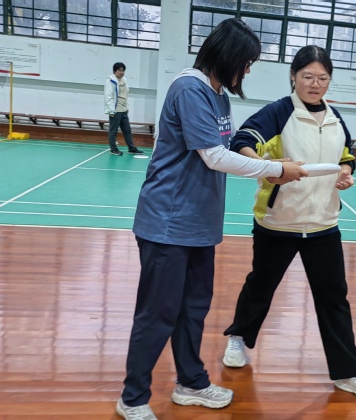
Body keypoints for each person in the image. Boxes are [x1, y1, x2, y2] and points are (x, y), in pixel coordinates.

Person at [115, 19, 307, 420]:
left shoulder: (219, 97)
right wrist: (275, 169)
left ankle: (191, 382)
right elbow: (214, 156)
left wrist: (267, 161)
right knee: (158, 313)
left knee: (194, 308)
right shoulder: (190, 89)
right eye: (246, 62)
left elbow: (228, 150)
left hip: (199, 224)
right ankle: (133, 398)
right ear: (227, 56)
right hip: (168, 222)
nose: (248, 70)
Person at [221, 45, 356, 407]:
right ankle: (238, 338)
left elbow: (346, 154)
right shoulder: (278, 112)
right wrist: (270, 167)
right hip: (278, 223)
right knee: (260, 286)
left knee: (334, 299)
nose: (315, 84)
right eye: (308, 76)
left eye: (323, 78)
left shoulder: (334, 117)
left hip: (323, 224)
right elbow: (242, 142)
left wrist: (346, 172)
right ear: (293, 77)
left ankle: (349, 372)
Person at [104, 62, 144, 156]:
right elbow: (108, 96)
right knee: (113, 131)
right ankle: (113, 149)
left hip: (123, 109)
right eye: (119, 70)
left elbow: (125, 95)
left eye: (123, 70)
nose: (121, 72)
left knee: (127, 130)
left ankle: (131, 148)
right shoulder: (110, 81)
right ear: (115, 71)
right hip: (115, 110)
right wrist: (111, 110)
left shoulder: (124, 80)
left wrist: (127, 107)